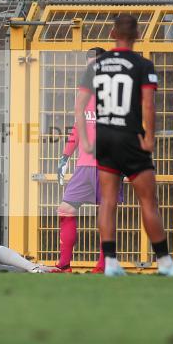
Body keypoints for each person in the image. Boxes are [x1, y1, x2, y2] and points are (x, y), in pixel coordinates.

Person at [76, 14, 173, 278]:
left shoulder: (97, 64)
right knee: (148, 201)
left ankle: (110, 262)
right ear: (138, 34)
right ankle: (165, 263)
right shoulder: (142, 64)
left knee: (107, 201)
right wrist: (149, 137)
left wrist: (85, 138)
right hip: (129, 137)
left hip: (104, 136)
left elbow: (80, 103)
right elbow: (148, 104)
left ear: (111, 33)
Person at [54, 47, 113, 274]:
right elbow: (78, 128)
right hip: (84, 167)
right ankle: (64, 265)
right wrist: (66, 155)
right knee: (66, 209)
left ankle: (103, 266)